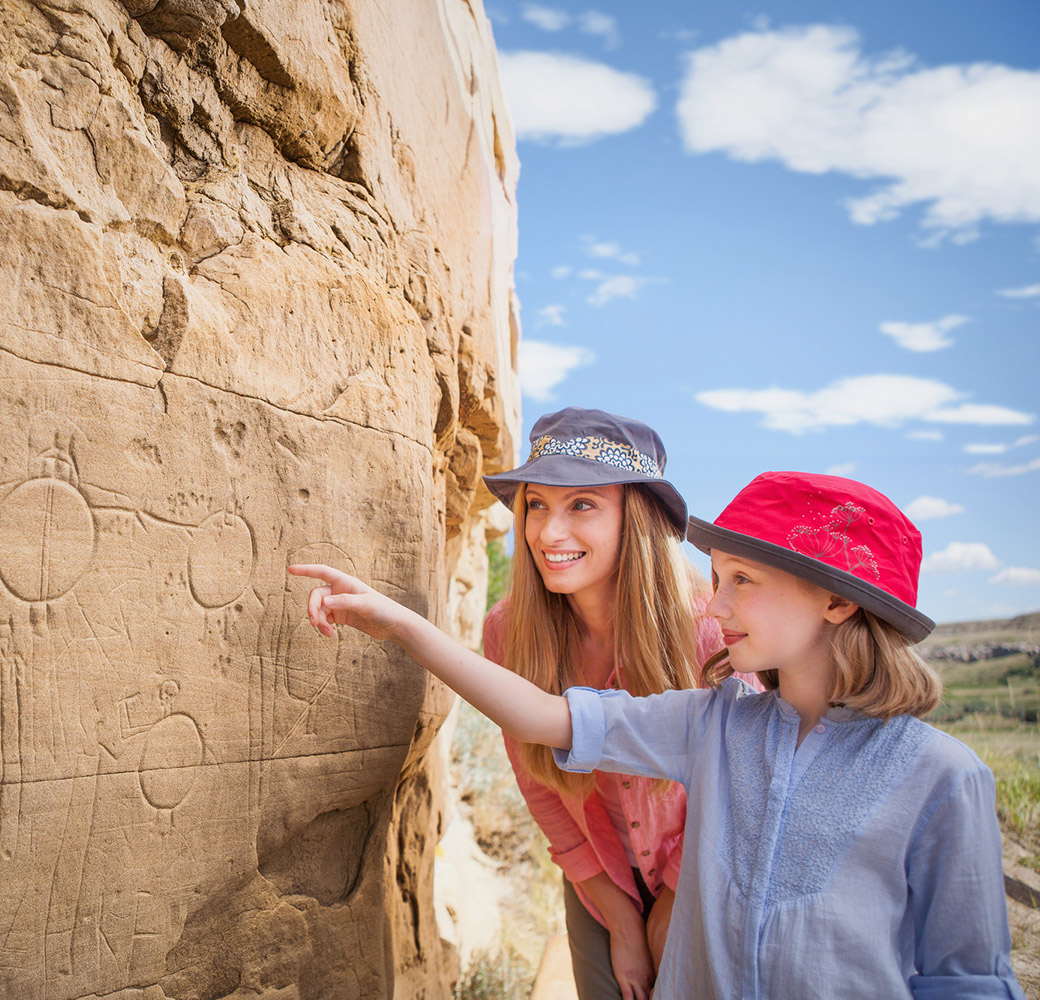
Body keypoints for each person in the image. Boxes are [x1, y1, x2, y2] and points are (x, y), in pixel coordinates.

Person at [290, 470, 1024, 1000]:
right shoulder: (713, 723)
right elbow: (541, 716)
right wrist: (398, 623)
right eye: (719, 577)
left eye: (744, 581)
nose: (719, 600)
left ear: (836, 600)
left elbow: (967, 979)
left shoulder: (943, 778)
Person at [476, 406, 747, 1000]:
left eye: (582, 505)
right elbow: (537, 783)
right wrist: (621, 918)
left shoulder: (709, 631)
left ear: (637, 518)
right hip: (597, 883)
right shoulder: (509, 632)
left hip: (709, 876)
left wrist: (672, 899)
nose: (549, 533)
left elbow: (736, 788)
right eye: (537, 504)